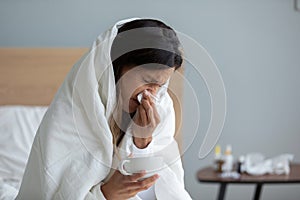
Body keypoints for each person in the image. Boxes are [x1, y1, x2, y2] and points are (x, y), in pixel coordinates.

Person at [16, 17, 192, 200]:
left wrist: (142, 142)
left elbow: (161, 191)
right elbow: (52, 191)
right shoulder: (70, 116)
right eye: (147, 81)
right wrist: (107, 194)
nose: (152, 93)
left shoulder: (160, 108)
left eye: (161, 85)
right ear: (116, 67)